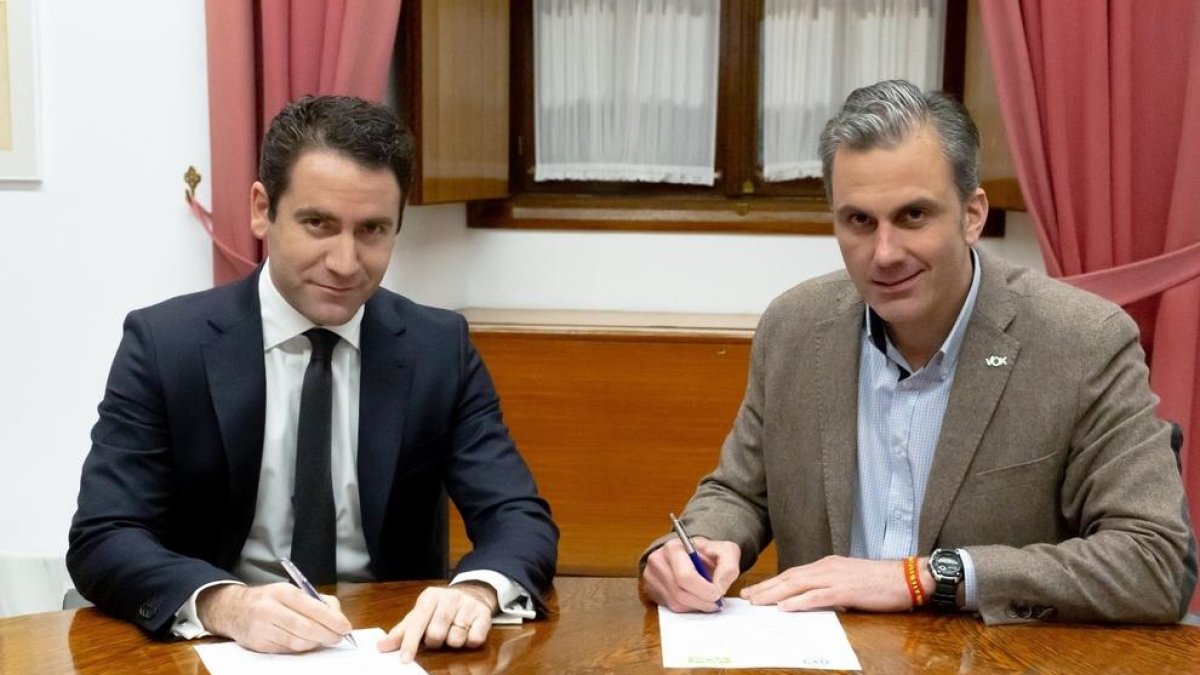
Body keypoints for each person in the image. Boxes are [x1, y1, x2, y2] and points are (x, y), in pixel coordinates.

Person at [640, 79, 1196, 624]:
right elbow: (740, 491)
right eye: (859, 221)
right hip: (819, 660)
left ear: (972, 215)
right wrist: (699, 545)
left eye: (913, 216)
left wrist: (925, 577)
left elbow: (1155, 561)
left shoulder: (1082, 341)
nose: (884, 254)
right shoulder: (795, 328)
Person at [68, 95, 558, 659]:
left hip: (388, 649)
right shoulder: (166, 345)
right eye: (318, 224)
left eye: (372, 229)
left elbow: (516, 516)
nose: (346, 262)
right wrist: (224, 604)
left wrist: (475, 590)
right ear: (261, 209)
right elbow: (104, 535)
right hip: (217, 648)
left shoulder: (435, 348)